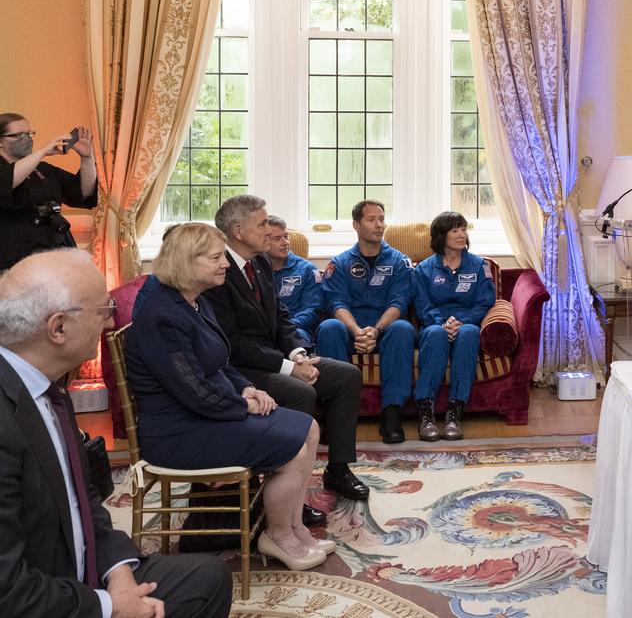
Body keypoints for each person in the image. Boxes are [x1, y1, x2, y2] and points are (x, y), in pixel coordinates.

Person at [0, 248, 233, 617]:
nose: (110, 325)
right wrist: (109, 605)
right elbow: (8, 592)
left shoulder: (47, 387)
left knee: (207, 577)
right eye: (104, 312)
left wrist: (117, 570)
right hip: (44, 595)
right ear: (58, 328)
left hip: (85, 573)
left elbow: (82, 497)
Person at [128, 223, 334, 571]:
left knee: (309, 427)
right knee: (294, 448)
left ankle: (295, 528)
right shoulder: (162, 318)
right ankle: (278, 536)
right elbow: (194, 391)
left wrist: (246, 387)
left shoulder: (194, 302)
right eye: (216, 257)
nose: (226, 263)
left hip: (204, 415)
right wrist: (244, 405)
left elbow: (220, 362)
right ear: (185, 262)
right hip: (178, 433)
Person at [206, 196, 368, 503]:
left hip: (275, 359)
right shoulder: (218, 271)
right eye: (263, 223)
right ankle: (286, 492)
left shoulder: (261, 262)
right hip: (240, 370)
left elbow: (279, 317)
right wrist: (289, 368)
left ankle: (338, 468)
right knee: (301, 391)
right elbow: (233, 344)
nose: (269, 230)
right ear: (238, 231)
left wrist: (297, 354)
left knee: (346, 376)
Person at [316, 200, 415, 443]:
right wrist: (358, 331)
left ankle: (391, 415)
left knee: (403, 328)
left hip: (386, 331)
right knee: (328, 327)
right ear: (356, 225)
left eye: (381, 219)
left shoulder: (400, 262)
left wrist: (377, 330)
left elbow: (400, 303)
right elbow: (336, 304)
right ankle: (335, 416)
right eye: (371, 219)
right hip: (352, 332)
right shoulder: (339, 263)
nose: (379, 225)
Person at [411, 211, 496, 442]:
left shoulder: (479, 266)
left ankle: (455, 412)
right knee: (437, 334)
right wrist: (441, 322)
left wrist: (462, 322)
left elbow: (485, 302)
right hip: (433, 325)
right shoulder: (424, 269)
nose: (461, 235)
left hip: (466, 324)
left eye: (463, 229)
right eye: (455, 230)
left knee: (468, 334)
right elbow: (422, 304)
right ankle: (426, 413)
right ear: (441, 235)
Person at [0, 112, 97, 271]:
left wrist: (87, 158)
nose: (27, 139)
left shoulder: (42, 169)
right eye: (19, 135)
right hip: (13, 263)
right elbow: (7, 181)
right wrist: (43, 151)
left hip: (55, 254)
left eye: (29, 133)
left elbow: (84, 193)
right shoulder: (10, 170)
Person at [264, 216, 324, 346]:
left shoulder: (307, 270)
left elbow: (312, 310)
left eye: (286, 236)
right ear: (263, 241)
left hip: (296, 329)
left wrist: (285, 328)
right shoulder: (254, 269)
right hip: (263, 331)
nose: (285, 242)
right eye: (277, 238)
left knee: (296, 337)